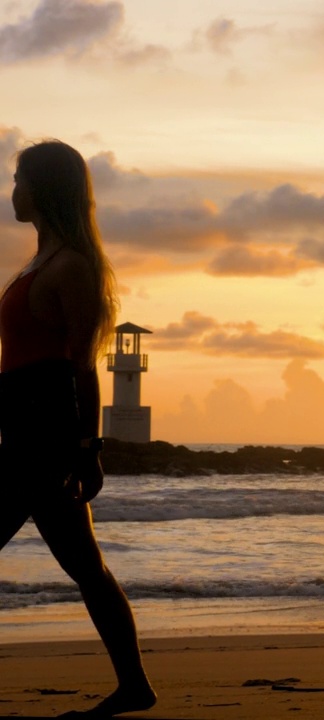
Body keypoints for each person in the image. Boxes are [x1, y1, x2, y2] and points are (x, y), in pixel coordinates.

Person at [3, 140, 155, 717]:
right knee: (88, 569)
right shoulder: (38, 262)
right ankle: (135, 686)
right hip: (18, 436)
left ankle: (136, 686)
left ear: (41, 188)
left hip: (42, 445)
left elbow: (81, 366)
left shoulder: (71, 267)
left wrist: (88, 451)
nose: (12, 191)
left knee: (88, 568)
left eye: (18, 179)